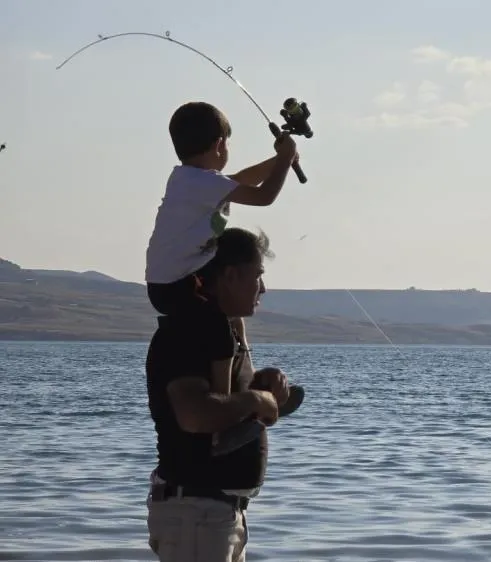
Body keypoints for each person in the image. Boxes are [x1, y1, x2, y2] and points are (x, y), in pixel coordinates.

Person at [144, 101, 297, 448]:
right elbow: (263, 195)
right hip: (177, 285)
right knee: (218, 331)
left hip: (172, 280)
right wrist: (285, 161)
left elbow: (240, 181)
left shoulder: (192, 181)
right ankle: (225, 419)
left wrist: (278, 161)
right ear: (219, 145)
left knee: (229, 322)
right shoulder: (198, 183)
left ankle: (238, 395)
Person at [145, 227, 287, 561]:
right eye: (257, 276)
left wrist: (262, 388)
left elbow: (224, 407)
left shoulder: (223, 331)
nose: (262, 289)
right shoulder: (191, 327)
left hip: (217, 514)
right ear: (230, 275)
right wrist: (255, 400)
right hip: (197, 514)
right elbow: (195, 415)